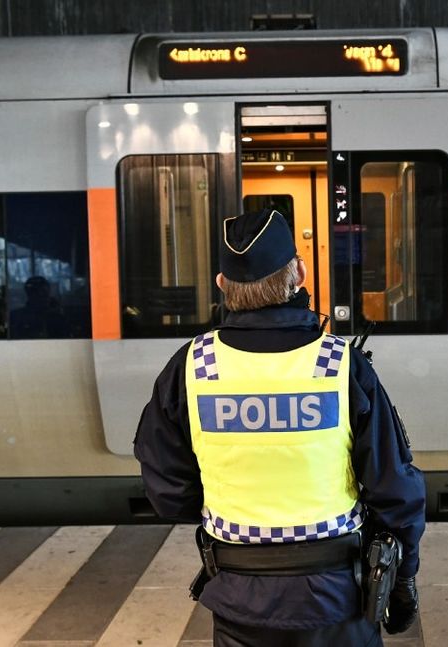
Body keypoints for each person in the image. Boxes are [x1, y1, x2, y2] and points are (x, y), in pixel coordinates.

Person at [134, 208, 425, 646]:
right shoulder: (339, 366)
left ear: (221, 284)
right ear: (300, 273)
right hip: (337, 599)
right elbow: (395, 490)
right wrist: (402, 579)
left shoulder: (192, 367)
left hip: (236, 599)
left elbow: (169, 493)